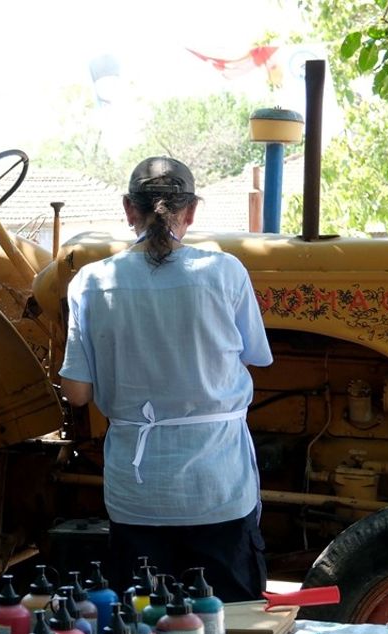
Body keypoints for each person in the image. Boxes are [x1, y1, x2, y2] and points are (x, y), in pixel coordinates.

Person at [57, 156, 273, 603]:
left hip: (139, 495)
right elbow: (257, 356)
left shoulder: (90, 282)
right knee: (230, 630)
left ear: (128, 209)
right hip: (218, 488)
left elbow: (76, 393)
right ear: (190, 211)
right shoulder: (225, 272)